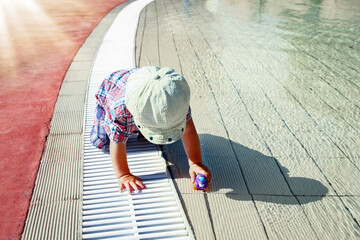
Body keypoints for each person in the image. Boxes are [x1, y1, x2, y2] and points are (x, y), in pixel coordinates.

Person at [90, 66, 211, 194]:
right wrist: (124, 175)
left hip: (147, 89)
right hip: (111, 91)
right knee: (101, 142)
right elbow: (117, 141)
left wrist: (195, 162)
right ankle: (130, 128)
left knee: (160, 135)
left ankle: (145, 130)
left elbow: (188, 131)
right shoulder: (119, 112)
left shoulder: (175, 101)